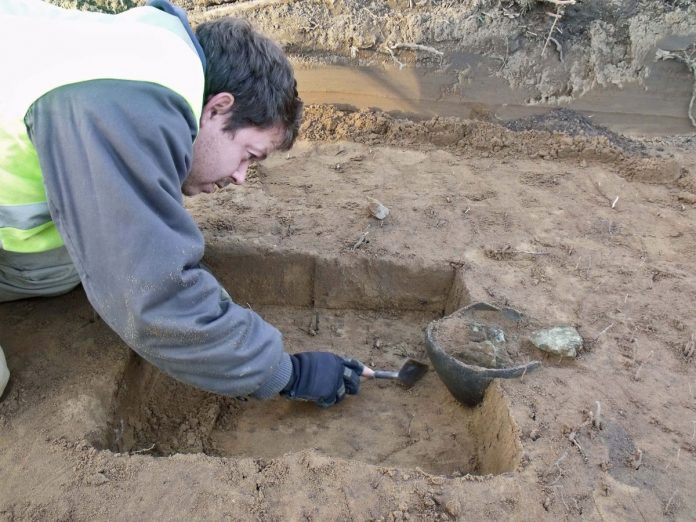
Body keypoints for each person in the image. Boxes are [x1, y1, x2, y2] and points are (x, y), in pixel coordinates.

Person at [0, 0, 371, 405]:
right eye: (249, 154)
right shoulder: (116, 104)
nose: (241, 177)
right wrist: (286, 372)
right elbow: (149, 295)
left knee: (67, 265)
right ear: (218, 107)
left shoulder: (150, 58)